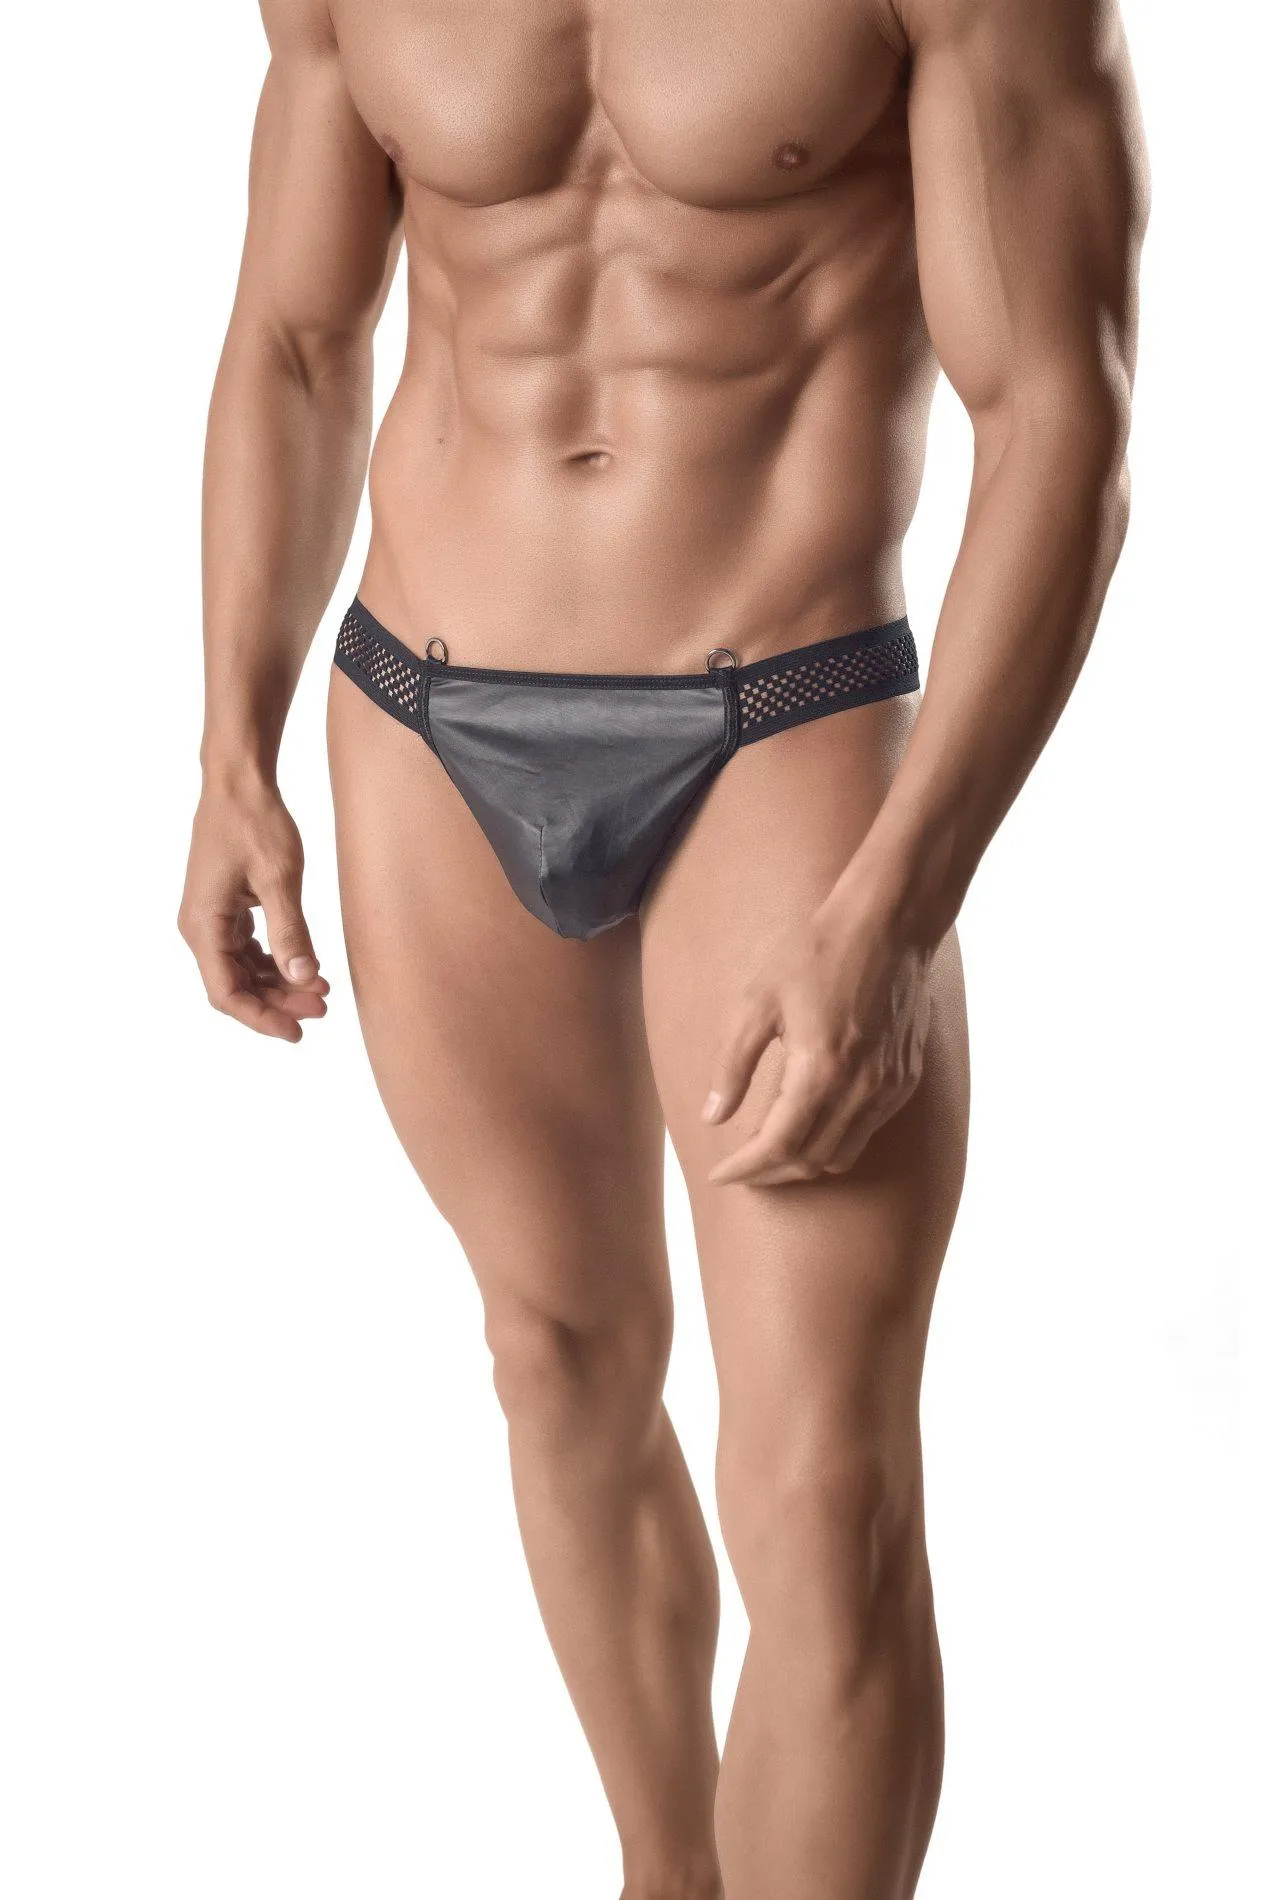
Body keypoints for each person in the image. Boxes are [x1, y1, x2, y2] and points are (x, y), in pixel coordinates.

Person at [177, 2, 1147, 1894]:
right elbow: (295, 335)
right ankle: (664, 1870)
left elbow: (1060, 418)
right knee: (557, 1355)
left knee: (823, 1483)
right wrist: (231, 739)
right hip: (422, 708)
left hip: (782, 723)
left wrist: (899, 901)